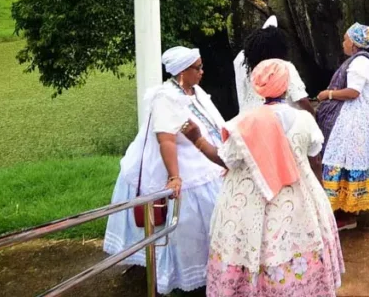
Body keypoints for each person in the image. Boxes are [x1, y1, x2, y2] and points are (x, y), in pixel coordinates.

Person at [183, 59, 344, 296]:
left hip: (248, 204)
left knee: (252, 249)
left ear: (257, 85)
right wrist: (320, 191)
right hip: (301, 198)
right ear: (287, 85)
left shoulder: (243, 123)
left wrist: (197, 139)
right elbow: (315, 159)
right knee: (299, 246)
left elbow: (224, 159)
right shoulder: (305, 120)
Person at [103, 46, 227, 294]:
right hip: (179, 164)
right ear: (183, 71)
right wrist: (174, 176)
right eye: (198, 68)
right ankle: (176, 274)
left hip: (203, 159)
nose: (202, 72)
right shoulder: (166, 97)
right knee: (183, 223)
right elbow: (166, 139)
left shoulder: (194, 91)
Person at [314, 23, 369, 230]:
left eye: (345, 39)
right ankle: (351, 210)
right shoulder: (365, 61)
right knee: (349, 160)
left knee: (340, 157)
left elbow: (353, 92)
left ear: (354, 42)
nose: (343, 43)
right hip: (362, 120)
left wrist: (328, 94)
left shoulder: (359, 62)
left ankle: (344, 214)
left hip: (355, 121)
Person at [233, 16, 315, 117]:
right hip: (280, 121)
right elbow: (301, 99)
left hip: (247, 120)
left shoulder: (240, 61)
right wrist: (313, 115)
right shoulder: (283, 67)